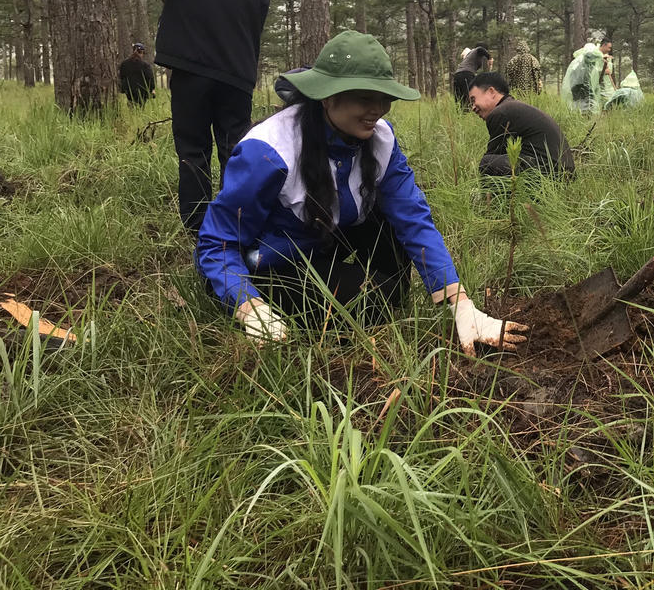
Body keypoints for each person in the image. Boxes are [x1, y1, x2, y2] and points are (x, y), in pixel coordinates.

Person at [196, 31, 529, 354]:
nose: (378, 108)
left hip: (327, 239)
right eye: (365, 97)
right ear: (327, 95)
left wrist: (462, 306)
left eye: (384, 98)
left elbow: (412, 217)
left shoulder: (380, 139)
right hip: (276, 262)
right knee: (371, 301)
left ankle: (372, 299)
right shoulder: (269, 152)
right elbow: (217, 242)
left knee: (388, 286)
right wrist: (250, 309)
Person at [123, 0, 274, 232]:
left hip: (191, 73)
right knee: (235, 152)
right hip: (236, 79)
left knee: (193, 151)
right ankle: (238, 224)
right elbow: (251, 34)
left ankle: (198, 230)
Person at [469, 72, 574, 178]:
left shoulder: (501, 113)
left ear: (491, 92)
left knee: (487, 163)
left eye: (473, 100)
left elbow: (491, 160)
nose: (473, 107)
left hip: (551, 173)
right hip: (562, 172)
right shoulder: (512, 107)